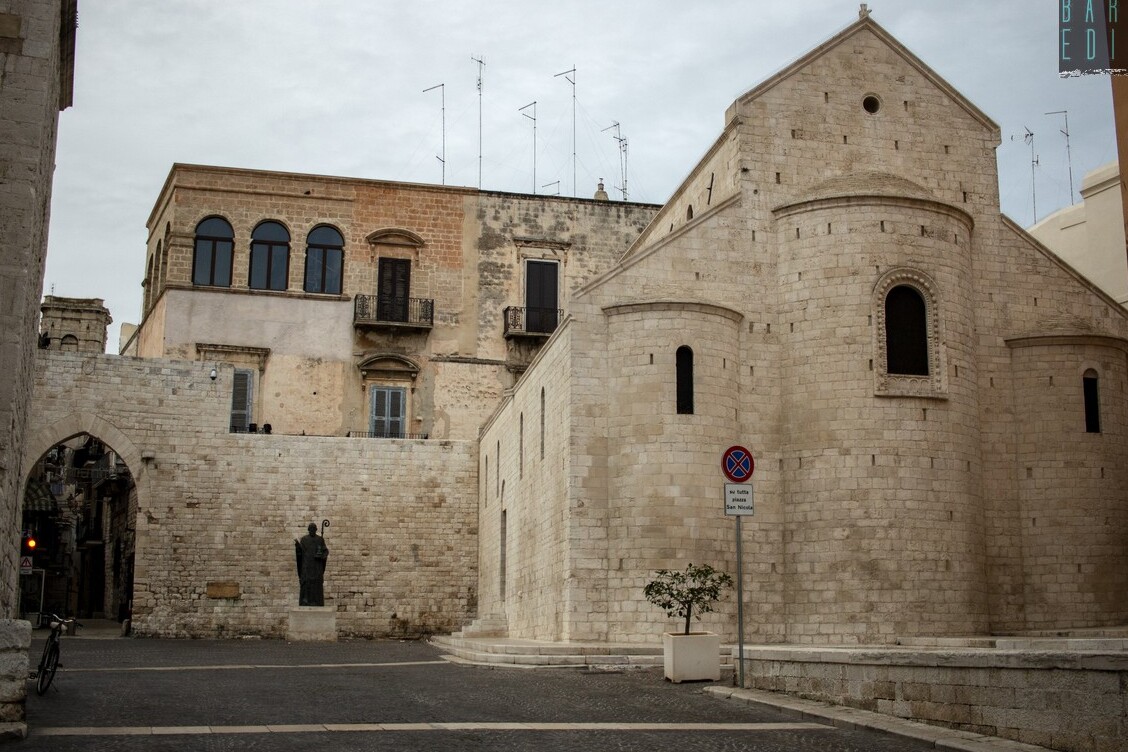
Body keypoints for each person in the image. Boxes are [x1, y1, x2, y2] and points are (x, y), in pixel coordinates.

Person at [294, 523, 329, 606]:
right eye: (311, 529)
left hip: (317, 566)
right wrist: (298, 547)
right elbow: (301, 553)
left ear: (316, 530)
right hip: (307, 565)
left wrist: (321, 556)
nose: (312, 531)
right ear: (309, 530)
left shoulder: (320, 539)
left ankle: (316, 601)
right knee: (306, 584)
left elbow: (325, 551)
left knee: (316, 584)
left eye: (314, 529)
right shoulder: (304, 539)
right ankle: (305, 601)